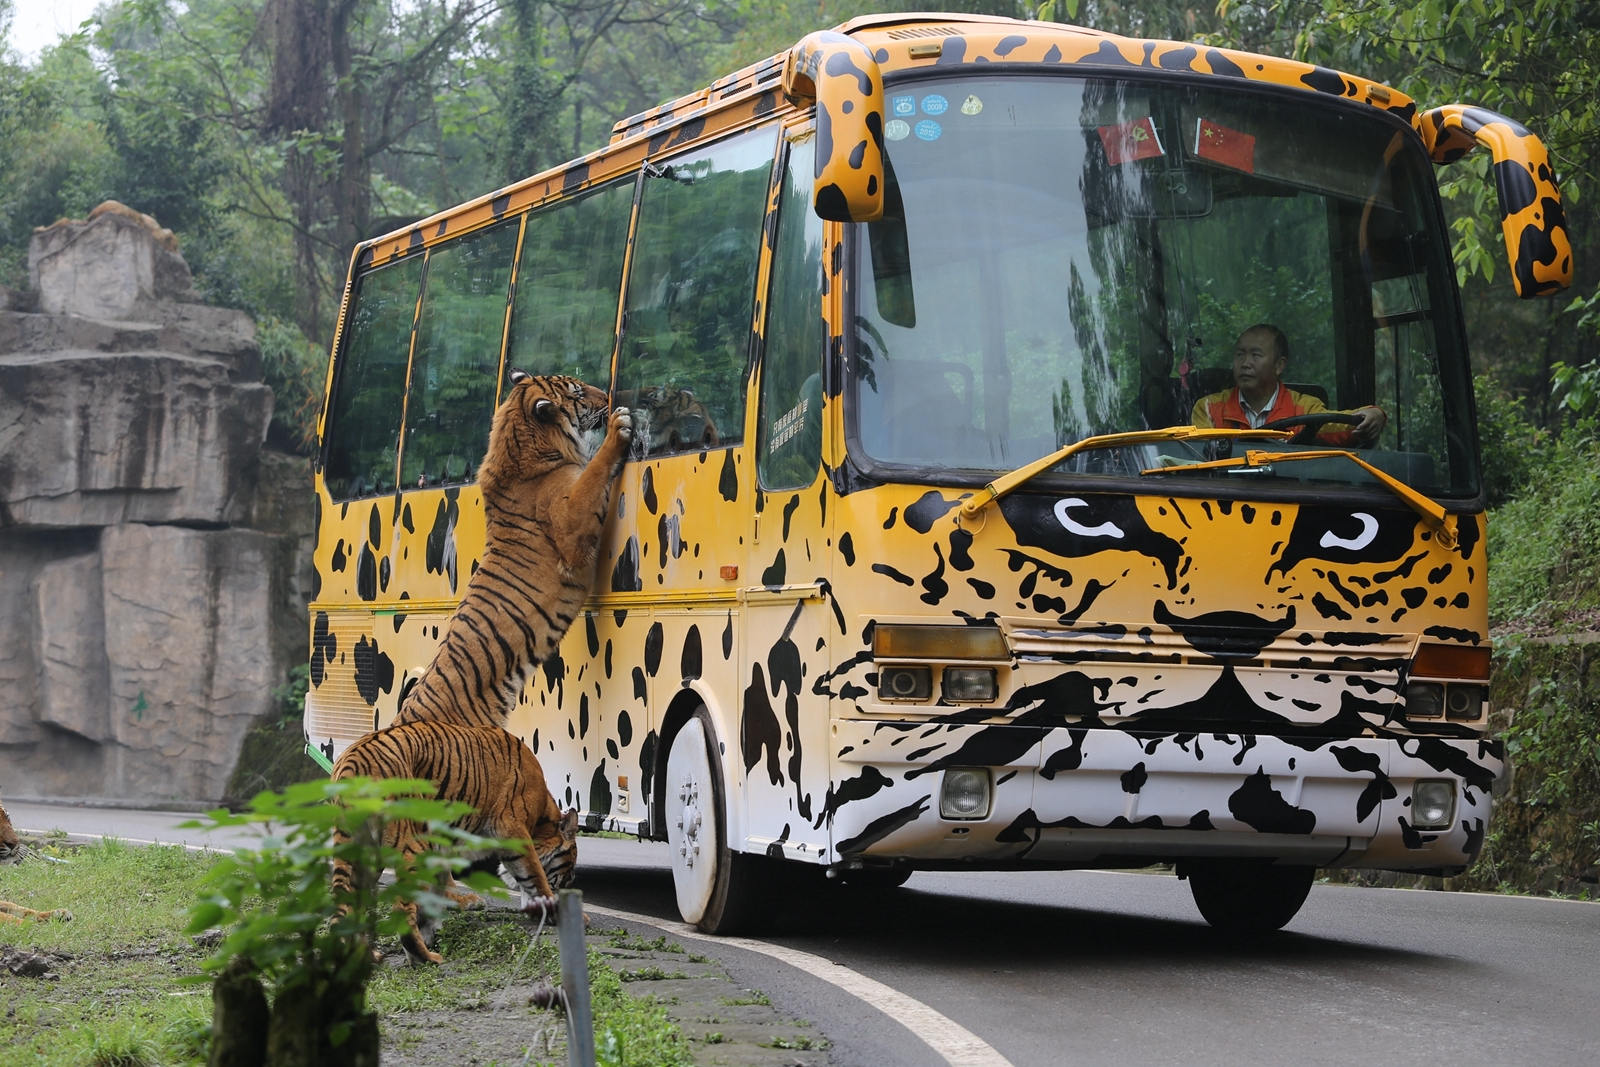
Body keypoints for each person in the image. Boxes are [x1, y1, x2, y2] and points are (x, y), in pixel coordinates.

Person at [1189, 323, 1386, 446]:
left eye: (1256, 355)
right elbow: (1201, 459)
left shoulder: (1304, 408)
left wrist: (1374, 414)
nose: (1245, 363)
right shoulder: (1208, 408)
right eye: (1240, 354)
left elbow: (1340, 426)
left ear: (1279, 365)